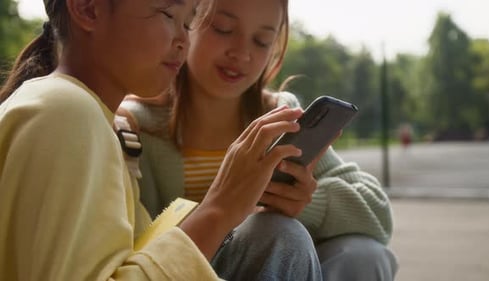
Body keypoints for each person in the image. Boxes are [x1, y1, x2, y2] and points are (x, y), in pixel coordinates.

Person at [0, 0, 321, 280]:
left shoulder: (92, 120)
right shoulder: (66, 111)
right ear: (88, 8)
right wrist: (219, 208)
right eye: (168, 14)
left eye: (189, 21)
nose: (184, 38)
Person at [117, 0, 399, 280]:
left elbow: (378, 213)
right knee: (276, 233)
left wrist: (305, 204)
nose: (242, 53)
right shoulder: (135, 128)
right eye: (223, 29)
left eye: (262, 41)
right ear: (186, 21)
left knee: (363, 254)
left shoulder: (281, 116)